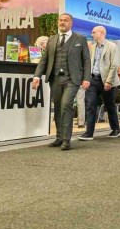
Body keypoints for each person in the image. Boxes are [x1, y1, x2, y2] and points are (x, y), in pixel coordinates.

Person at [32, 13, 91, 151]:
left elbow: (86, 60)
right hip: (55, 78)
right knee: (58, 107)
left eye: (65, 20)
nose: (62, 22)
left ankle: (66, 139)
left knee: (66, 105)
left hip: (72, 79)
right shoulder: (52, 39)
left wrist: (86, 78)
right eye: (60, 20)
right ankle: (59, 137)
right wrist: (36, 76)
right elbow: (44, 60)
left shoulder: (80, 39)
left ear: (71, 23)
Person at [80, 26, 120, 140]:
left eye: (94, 32)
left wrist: (109, 81)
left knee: (109, 105)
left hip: (107, 80)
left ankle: (116, 129)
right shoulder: (93, 47)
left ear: (102, 33)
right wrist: (86, 78)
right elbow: (89, 63)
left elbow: (114, 65)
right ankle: (89, 132)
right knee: (90, 105)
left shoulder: (112, 46)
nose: (92, 34)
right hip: (93, 79)